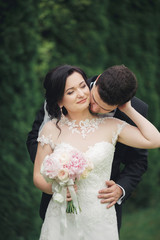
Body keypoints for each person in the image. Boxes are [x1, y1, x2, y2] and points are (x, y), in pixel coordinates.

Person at [32, 65, 160, 240]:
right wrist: (56, 185)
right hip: (61, 214)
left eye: (83, 86)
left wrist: (127, 107)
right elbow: (38, 175)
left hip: (99, 215)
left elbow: (155, 140)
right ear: (60, 100)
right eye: (71, 92)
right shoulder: (51, 128)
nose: (82, 95)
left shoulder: (112, 125)